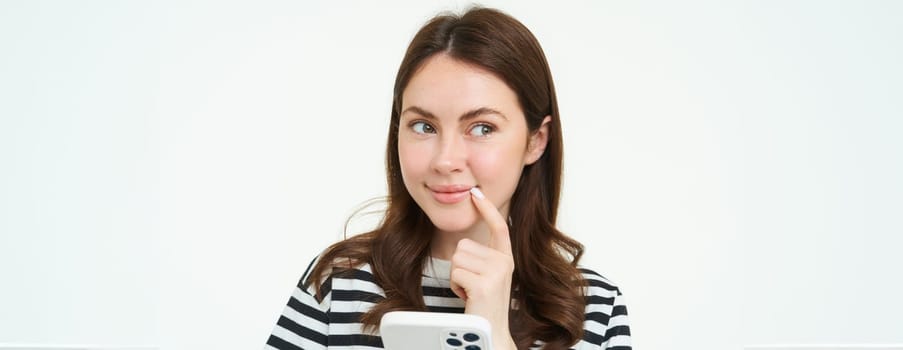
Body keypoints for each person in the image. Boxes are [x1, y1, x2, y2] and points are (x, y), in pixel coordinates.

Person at [266, 7, 631, 350]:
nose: (445, 160)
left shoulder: (592, 308)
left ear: (536, 141)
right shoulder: (339, 283)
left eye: (482, 128)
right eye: (423, 126)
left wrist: (492, 330)